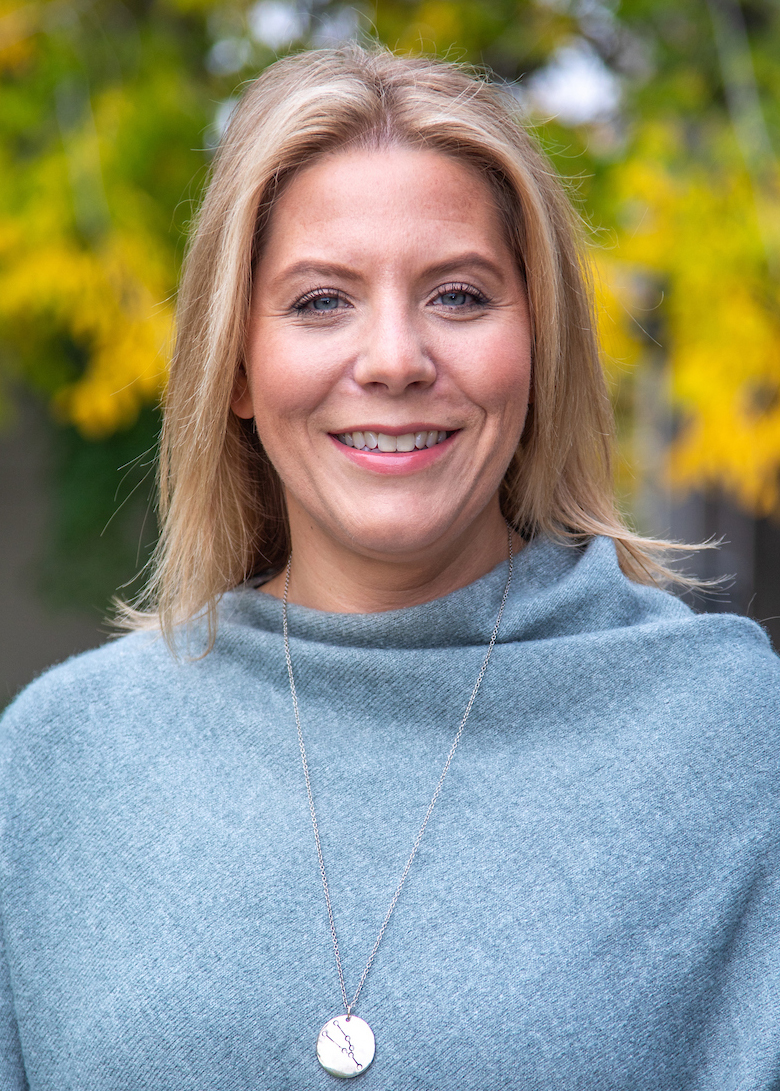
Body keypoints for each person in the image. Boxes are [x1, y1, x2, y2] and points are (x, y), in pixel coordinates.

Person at [2, 45, 779, 1091]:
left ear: (539, 348)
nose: (395, 358)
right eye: (321, 301)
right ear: (235, 363)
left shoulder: (734, 740)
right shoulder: (56, 760)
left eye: (459, 296)